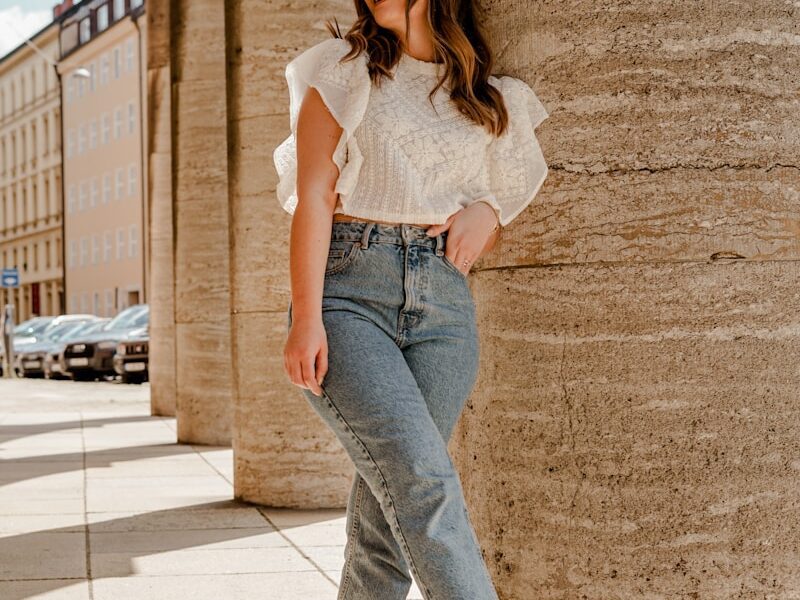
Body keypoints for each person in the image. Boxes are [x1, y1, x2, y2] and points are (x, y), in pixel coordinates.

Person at [274, 0, 549, 597]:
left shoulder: (485, 95)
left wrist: (487, 212)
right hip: (349, 291)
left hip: (444, 307)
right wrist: (306, 317)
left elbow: (499, 189)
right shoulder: (344, 70)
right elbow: (314, 197)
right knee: (425, 485)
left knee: (387, 514)